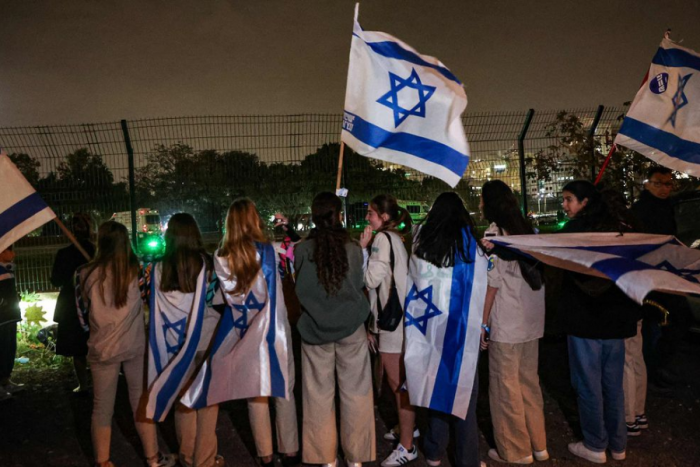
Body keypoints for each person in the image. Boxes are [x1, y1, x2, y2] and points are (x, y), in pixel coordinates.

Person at [76, 221, 174, 467]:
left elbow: (82, 315)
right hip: (133, 344)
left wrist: (96, 330)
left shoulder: (82, 274)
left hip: (101, 347)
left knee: (101, 407)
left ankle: (103, 461)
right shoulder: (138, 270)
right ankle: (153, 457)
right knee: (140, 401)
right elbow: (148, 301)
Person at [559, 180, 639, 464]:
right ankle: (618, 444)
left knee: (587, 385)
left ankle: (594, 444)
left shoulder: (574, 232)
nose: (565, 205)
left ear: (585, 202)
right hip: (615, 321)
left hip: (585, 321)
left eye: (569, 199)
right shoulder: (621, 230)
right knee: (613, 385)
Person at [216, 200, 299, 467]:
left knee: (255, 391)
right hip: (276, 328)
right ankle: (290, 449)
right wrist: (288, 228)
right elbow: (297, 252)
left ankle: (265, 454)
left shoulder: (221, 257)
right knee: (284, 387)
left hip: (246, 330)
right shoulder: (271, 250)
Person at [294, 192, 375, 467]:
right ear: (339, 215)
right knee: (356, 394)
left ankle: (325, 458)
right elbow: (358, 283)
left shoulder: (303, 250)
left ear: (314, 217)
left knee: (318, 397)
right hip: (351, 328)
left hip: (315, 332)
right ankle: (356, 457)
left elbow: (299, 286)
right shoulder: (352, 248)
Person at [407, 192, 486, 467]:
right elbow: (480, 286)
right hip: (461, 330)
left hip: (430, 329)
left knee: (435, 386)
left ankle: (434, 450)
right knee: (465, 394)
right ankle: (467, 459)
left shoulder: (421, 242)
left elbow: (414, 281)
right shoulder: (471, 246)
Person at [144, 213, 223, 467]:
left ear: (169, 236)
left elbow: (154, 304)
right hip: (206, 338)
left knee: (183, 399)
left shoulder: (159, 267)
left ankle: (187, 455)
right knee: (207, 401)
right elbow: (216, 299)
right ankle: (205, 459)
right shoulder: (207, 263)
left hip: (175, 343)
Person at [479, 180, 548, 465]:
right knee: (529, 383)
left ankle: (516, 450)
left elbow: (492, 284)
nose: (480, 204)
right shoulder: (527, 231)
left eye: (482, 200)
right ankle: (539, 444)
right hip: (531, 320)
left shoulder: (494, 235)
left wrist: (483, 324)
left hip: (507, 322)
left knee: (505, 387)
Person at [359, 194, 417, 467]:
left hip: (391, 321)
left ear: (383, 217)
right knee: (400, 382)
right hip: (401, 317)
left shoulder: (382, 239)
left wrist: (363, 249)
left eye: (371, 213)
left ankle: (407, 445)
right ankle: (408, 430)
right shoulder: (396, 237)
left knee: (398, 385)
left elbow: (370, 279)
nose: (367, 218)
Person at [601, 189, 648, 437]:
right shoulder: (635, 227)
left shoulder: (612, 232)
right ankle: (639, 412)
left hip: (621, 300)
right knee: (636, 357)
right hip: (637, 297)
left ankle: (628, 418)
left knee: (627, 360)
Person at [52, 213, 95, 393]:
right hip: (94, 301)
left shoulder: (64, 254)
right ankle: (100, 382)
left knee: (78, 348)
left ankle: (83, 384)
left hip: (71, 304)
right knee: (95, 343)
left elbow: (56, 280)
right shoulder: (97, 252)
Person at [0, 246, 23, 400]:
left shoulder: (7, 268)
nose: (13, 253)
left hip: (10, 315)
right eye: (8, 249)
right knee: (2, 349)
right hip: (2, 317)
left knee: (9, 348)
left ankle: (5, 381)